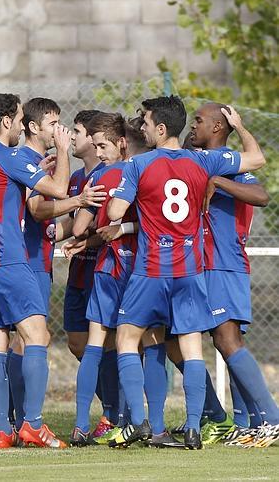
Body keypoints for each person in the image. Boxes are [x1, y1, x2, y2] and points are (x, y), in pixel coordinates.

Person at [106, 96, 266, 449]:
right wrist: (239, 127)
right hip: (191, 270)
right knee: (193, 348)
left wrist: (121, 194)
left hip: (150, 271)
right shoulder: (204, 160)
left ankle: (138, 422)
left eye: (145, 123)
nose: (143, 128)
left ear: (161, 128)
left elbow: (116, 211)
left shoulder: (139, 164)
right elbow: (256, 159)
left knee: (128, 340)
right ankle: (194, 428)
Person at [0, 93, 70, 449]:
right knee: (37, 337)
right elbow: (56, 190)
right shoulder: (4, 155)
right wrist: (65, 152)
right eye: (20, 118)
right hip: (6, 259)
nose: (22, 125)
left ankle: (3, 430)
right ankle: (33, 424)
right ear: (7, 121)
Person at [6, 99, 107, 433]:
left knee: (26, 339)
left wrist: (69, 232)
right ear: (34, 127)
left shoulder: (41, 163)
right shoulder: (26, 159)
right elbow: (38, 208)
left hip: (39, 260)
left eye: (67, 127)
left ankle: (14, 421)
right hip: (27, 263)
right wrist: (77, 200)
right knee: (29, 339)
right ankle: (21, 421)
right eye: (54, 124)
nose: (60, 132)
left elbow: (49, 222)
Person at [191, 103, 278, 448]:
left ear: (217, 128)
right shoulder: (201, 161)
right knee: (224, 343)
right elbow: (188, 145)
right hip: (209, 265)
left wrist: (218, 182)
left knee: (229, 342)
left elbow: (262, 196)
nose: (194, 124)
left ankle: (270, 417)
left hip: (225, 263)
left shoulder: (231, 163)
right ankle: (246, 422)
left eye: (199, 120)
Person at [66, 112, 138, 446]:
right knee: (142, 346)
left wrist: (86, 229)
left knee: (97, 344)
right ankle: (137, 421)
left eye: (103, 145)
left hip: (109, 270)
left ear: (121, 143)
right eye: (96, 145)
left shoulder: (106, 175)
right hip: (140, 268)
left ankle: (83, 424)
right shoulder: (144, 170)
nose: (101, 152)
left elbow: (81, 227)